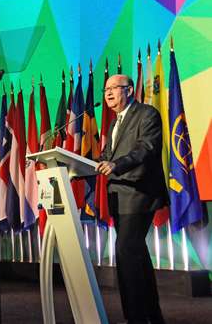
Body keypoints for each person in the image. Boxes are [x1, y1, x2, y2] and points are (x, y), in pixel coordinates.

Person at [96, 74, 167, 324]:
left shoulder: (147, 115)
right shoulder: (114, 124)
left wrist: (116, 164)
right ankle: (152, 316)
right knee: (136, 254)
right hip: (118, 195)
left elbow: (145, 148)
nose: (108, 93)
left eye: (114, 88)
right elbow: (104, 157)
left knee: (126, 252)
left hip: (139, 195)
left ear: (129, 90)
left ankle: (135, 317)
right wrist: (76, 167)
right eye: (106, 90)